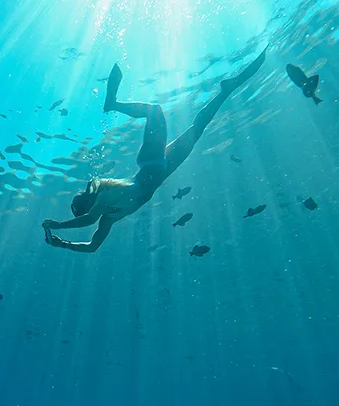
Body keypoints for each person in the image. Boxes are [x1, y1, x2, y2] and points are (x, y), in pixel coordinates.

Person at [42, 46, 267, 253]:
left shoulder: (103, 198)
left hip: (152, 162)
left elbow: (89, 220)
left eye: (85, 210)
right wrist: (63, 244)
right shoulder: (109, 217)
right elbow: (93, 246)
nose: (88, 214)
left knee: (156, 113)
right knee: (197, 128)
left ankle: (113, 104)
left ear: (89, 204)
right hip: (163, 166)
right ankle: (225, 91)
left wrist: (59, 226)